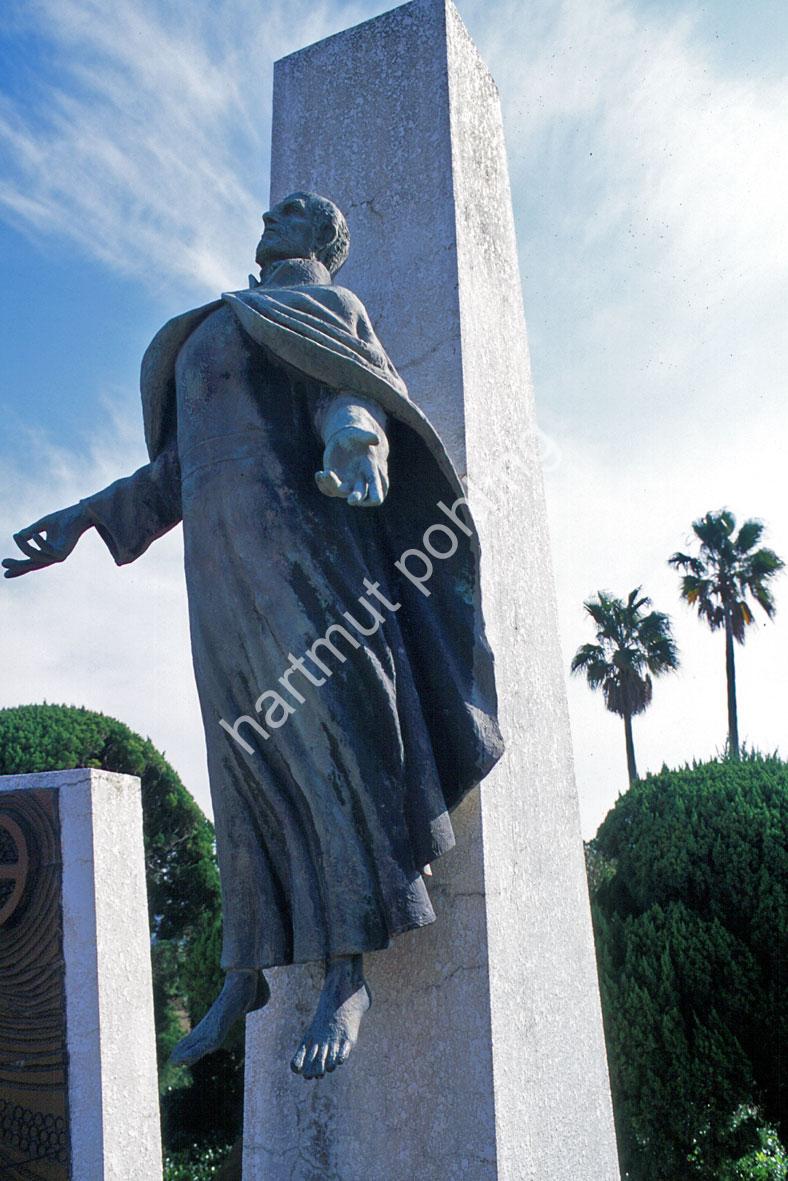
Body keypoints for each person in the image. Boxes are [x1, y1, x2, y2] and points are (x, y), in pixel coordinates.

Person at [4, 192, 502, 1080]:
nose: (271, 218)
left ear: (322, 241)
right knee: (240, 764)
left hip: (309, 560)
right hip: (221, 580)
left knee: (332, 747)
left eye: (295, 214)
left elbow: (352, 393)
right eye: (275, 211)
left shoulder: (326, 308)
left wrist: (360, 445)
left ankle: (347, 971)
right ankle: (248, 968)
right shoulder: (207, 331)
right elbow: (174, 474)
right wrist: (81, 519)